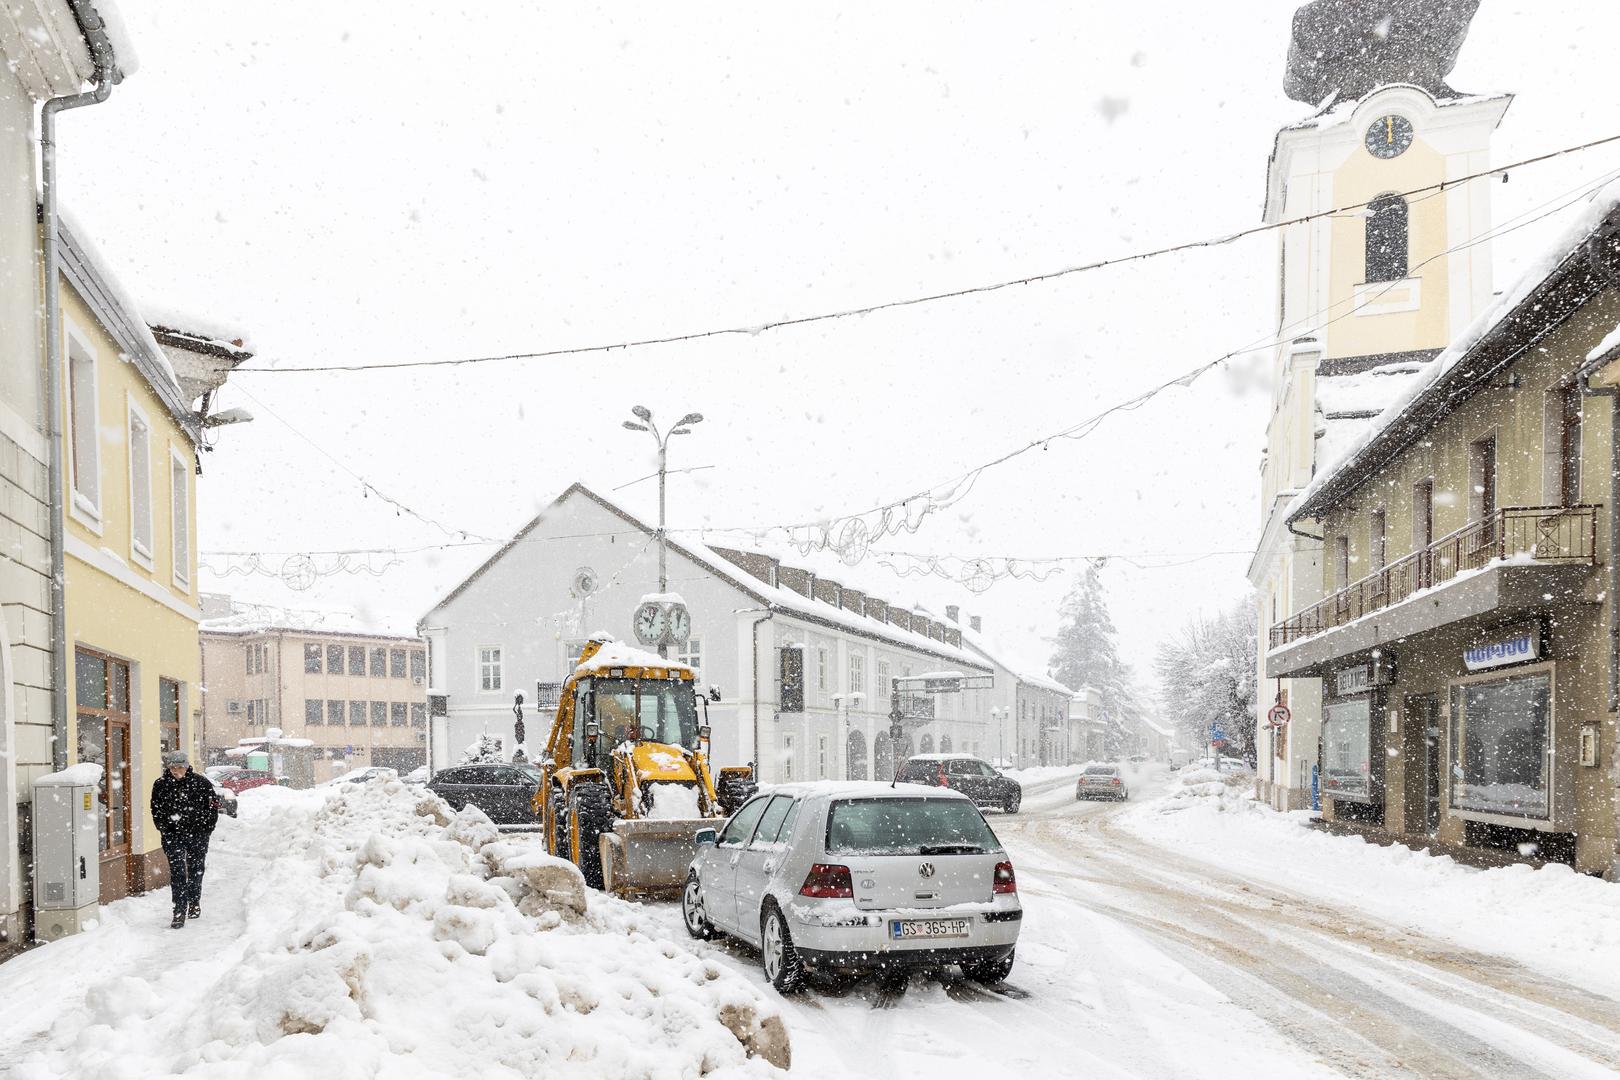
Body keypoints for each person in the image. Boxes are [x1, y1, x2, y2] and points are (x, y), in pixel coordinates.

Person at [150, 750, 220, 929]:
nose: (176, 771)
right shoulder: (161, 784)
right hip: (173, 835)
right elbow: (155, 809)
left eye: (180, 767)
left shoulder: (201, 783)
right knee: (178, 872)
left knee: (196, 870)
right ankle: (179, 910)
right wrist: (163, 828)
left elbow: (213, 807)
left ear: (187, 766)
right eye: (173, 767)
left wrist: (207, 829)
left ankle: (194, 901)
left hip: (198, 835)